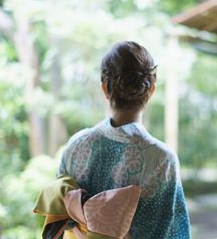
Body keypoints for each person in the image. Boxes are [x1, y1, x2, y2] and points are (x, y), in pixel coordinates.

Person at [56, 41, 191, 239]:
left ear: (104, 88)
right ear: (151, 89)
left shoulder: (76, 145)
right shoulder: (161, 159)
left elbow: (57, 216)